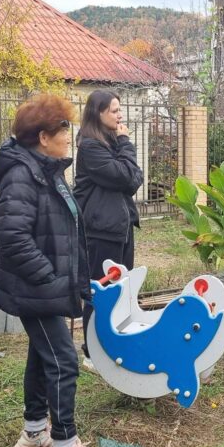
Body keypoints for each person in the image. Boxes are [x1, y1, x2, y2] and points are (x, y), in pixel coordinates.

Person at [0, 94, 94, 447]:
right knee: (64, 361)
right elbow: (13, 239)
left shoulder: (46, 170)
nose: (69, 136)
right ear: (43, 137)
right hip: (36, 288)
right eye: (63, 129)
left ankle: (34, 431)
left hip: (45, 287)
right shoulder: (22, 175)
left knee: (42, 354)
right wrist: (49, 278)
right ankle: (64, 444)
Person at [73, 90, 143, 366]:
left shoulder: (110, 143)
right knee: (100, 291)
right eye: (114, 110)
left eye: (119, 109)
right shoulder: (90, 147)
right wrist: (125, 142)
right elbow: (126, 175)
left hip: (120, 227)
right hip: (100, 230)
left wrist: (123, 146)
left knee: (120, 290)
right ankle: (92, 351)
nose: (120, 115)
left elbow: (134, 178)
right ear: (98, 113)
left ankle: (113, 343)